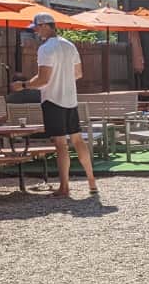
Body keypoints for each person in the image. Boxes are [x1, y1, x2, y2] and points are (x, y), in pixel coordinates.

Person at [11, 13, 97, 197]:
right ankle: (91, 181)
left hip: (53, 100)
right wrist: (63, 78)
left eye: (36, 27)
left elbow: (43, 79)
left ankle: (64, 187)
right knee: (77, 140)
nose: (34, 31)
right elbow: (78, 73)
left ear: (44, 26)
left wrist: (23, 85)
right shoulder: (69, 45)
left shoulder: (45, 49)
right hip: (70, 99)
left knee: (60, 144)